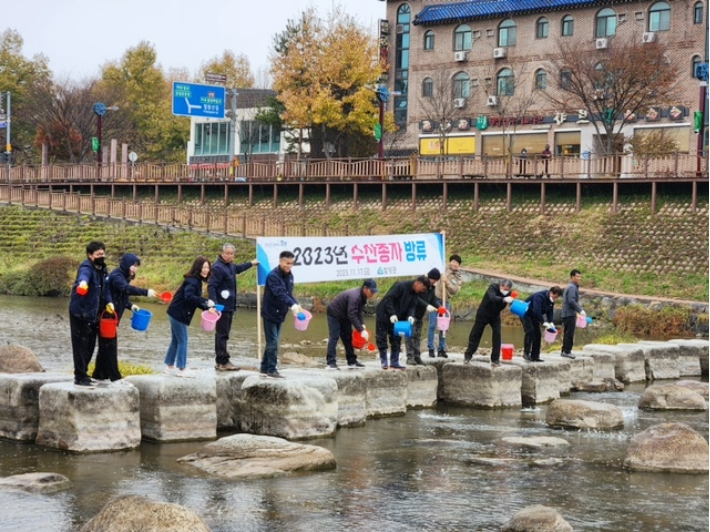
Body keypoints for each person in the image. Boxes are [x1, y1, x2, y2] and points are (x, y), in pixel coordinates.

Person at [94, 253, 157, 383]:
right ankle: (115, 377)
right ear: (126, 264)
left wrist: (131, 306)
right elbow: (125, 289)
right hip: (107, 317)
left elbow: (120, 295)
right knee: (110, 346)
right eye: (133, 265)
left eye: (136, 267)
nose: (134, 269)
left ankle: (99, 375)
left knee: (104, 347)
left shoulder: (123, 276)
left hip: (112, 317)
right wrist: (145, 292)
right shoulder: (117, 276)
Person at [69, 241, 114, 388]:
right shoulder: (86, 266)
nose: (102, 256)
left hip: (94, 312)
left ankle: (84, 373)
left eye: (103, 253)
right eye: (98, 254)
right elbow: (84, 276)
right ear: (90, 255)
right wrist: (83, 283)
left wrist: (109, 302)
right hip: (80, 312)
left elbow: (106, 289)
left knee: (90, 344)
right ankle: (79, 376)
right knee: (80, 344)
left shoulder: (103, 269)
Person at [208, 244, 259, 372]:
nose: (230, 256)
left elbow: (238, 268)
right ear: (222, 253)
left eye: (232, 254)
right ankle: (223, 361)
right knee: (222, 334)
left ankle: (221, 361)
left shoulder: (230, 266)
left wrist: (251, 263)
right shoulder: (218, 268)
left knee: (224, 334)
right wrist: (213, 304)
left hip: (230, 306)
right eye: (228, 253)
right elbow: (211, 286)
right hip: (221, 307)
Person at [164, 257, 216, 378]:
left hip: (175, 312)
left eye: (208, 267)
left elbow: (194, 300)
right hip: (178, 313)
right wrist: (206, 301)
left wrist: (207, 307)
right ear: (198, 268)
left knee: (176, 340)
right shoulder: (192, 281)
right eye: (203, 267)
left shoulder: (196, 281)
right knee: (183, 340)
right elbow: (189, 297)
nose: (206, 270)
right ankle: (181, 369)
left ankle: (169, 366)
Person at [261, 250, 302, 379]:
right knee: (273, 341)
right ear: (280, 261)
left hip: (281, 313)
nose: (289, 266)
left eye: (292, 263)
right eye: (287, 263)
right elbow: (280, 293)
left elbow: (288, 294)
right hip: (270, 312)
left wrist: (296, 305)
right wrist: (292, 304)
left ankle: (264, 367)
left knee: (274, 341)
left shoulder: (290, 276)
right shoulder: (273, 276)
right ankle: (272, 370)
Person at [375, 276, 430, 370]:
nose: (422, 291)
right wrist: (391, 313)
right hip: (384, 313)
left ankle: (394, 361)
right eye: (423, 289)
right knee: (382, 337)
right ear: (418, 284)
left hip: (399, 316)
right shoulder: (400, 286)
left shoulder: (415, 294)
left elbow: (412, 306)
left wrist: (410, 316)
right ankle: (384, 361)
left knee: (396, 337)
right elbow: (389, 299)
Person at [325, 279, 379, 370]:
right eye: (371, 291)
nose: (372, 294)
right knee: (334, 336)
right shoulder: (355, 296)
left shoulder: (364, 297)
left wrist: (362, 324)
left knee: (348, 337)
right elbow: (352, 314)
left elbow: (360, 311)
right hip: (334, 313)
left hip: (345, 315)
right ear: (365, 288)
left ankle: (352, 361)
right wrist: (361, 330)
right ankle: (331, 363)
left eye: (374, 292)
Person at [463, 279, 515, 367]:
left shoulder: (509, 293)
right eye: (504, 288)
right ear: (501, 286)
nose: (505, 291)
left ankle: (495, 359)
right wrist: (503, 299)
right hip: (484, 313)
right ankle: (468, 355)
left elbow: (511, 303)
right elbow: (493, 298)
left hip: (495, 315)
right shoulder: (493, 287)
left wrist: (514, 302)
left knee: (497, 335)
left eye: (507, 290)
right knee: (476, 333)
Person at [428, 254, 463, 358]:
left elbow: (455, 290)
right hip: (435, 300)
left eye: (456, 263)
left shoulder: (458, 278)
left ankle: (441, 349)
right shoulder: (441, 269)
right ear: (450, 262)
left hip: (445, 302)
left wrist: (446, 281)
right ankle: (430, 348)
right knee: (432, 325)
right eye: (453, 262)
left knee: (443, 327)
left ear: (458, 266)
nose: (454, 264)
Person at [406, 269, 442, 366]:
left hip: (420, 315)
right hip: (411, 314)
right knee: (409, 335)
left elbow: (433, 299)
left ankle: (417, 356)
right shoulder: (420, 284)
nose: (434, 282)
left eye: (436, 280)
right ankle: (410, 357)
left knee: (417, 336)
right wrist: (426, 305)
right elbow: (416, 298)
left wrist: (439, 306)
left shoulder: (432, 288)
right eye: (433, 279)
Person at [521, 286, 563, 362]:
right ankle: (526, 353)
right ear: (551, 293)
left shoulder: (551, 300)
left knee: (537, 334)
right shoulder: (539, 297)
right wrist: (543, 322)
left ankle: (535, 356)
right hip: (525, 313)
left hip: (534, 316)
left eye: (557, 297)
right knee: (530, 331)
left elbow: (550, 312)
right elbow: (536, 310)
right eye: (554, 296)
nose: (555, 299)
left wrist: (551, 322)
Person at [561, 269, 585, 359]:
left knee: (567, 332)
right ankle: (567, 351)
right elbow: (571, 301)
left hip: (568, 313)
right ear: (572, 277)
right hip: (569, 313)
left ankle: (564, 350)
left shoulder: (573, 287)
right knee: (569, 333)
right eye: (577, 276)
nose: (579, 278)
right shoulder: (572, 287)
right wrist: (580, 310)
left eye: (580, 276)